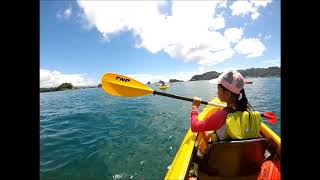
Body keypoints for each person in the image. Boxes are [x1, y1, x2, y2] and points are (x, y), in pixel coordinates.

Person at [190, 70, 261, 143]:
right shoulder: (247, 110)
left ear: (227, 94)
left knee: (206, 131)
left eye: (218, 89)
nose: (217, 92)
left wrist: (194, 107)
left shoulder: (221, 115)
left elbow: (195, 127)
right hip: (242, 152)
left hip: (223, 152)